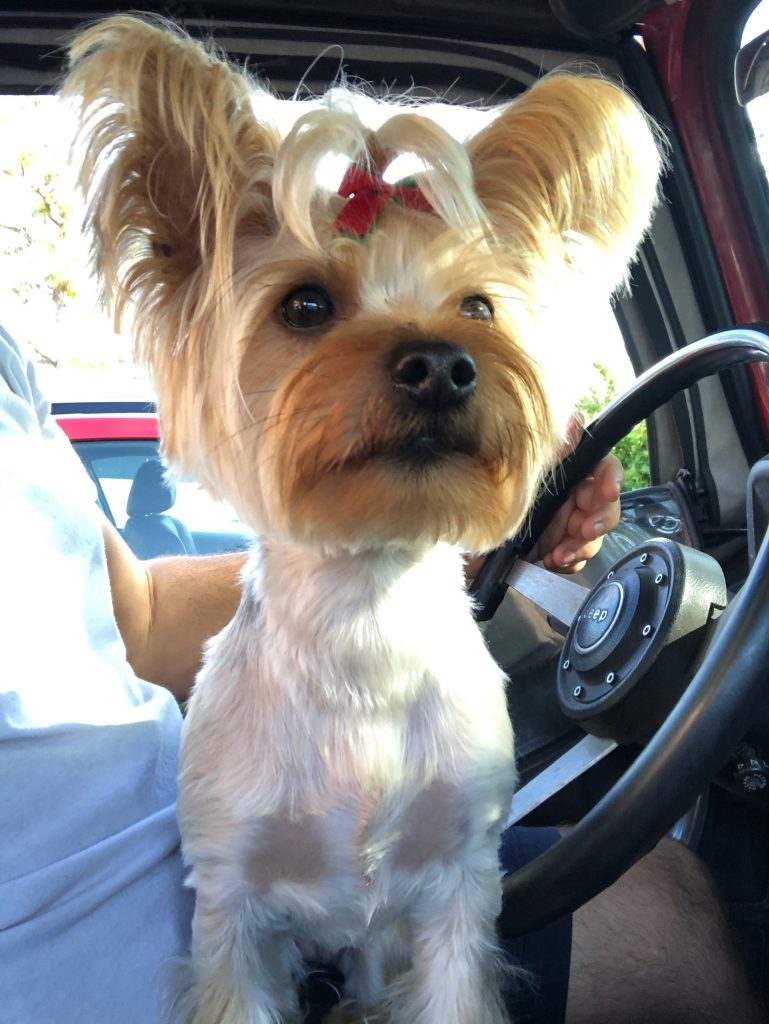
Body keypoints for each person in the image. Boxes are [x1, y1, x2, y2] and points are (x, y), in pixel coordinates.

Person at [0, 324, 763, 1024]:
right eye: (308, 307)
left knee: (663, 892)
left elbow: (136, 617)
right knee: (670, 926)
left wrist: (433, 537)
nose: (437, 362)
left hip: (206, 842)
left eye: (474, 306)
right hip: (102, 969)